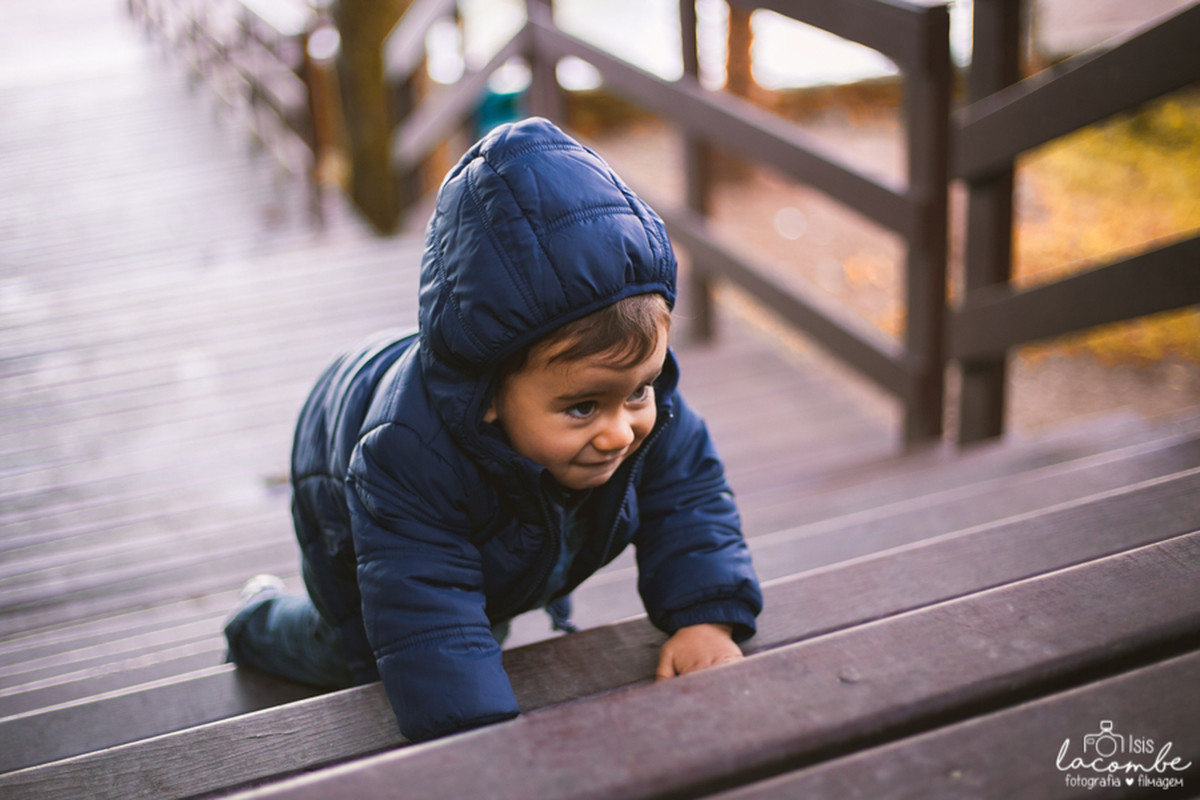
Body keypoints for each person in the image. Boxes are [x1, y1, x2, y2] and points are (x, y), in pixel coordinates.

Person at [224, 117, 762, 743]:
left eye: (636, 390)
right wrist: (483, 745)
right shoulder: (406, 459)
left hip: (483, 498)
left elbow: (689, 502)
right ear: (487, 398)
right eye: (583, 407)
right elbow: (426, 612)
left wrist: (705, 619)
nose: (620, 431)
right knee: (361, 656)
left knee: (483, 599)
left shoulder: (646, 405)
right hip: (341, 477)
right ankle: (256, 621)